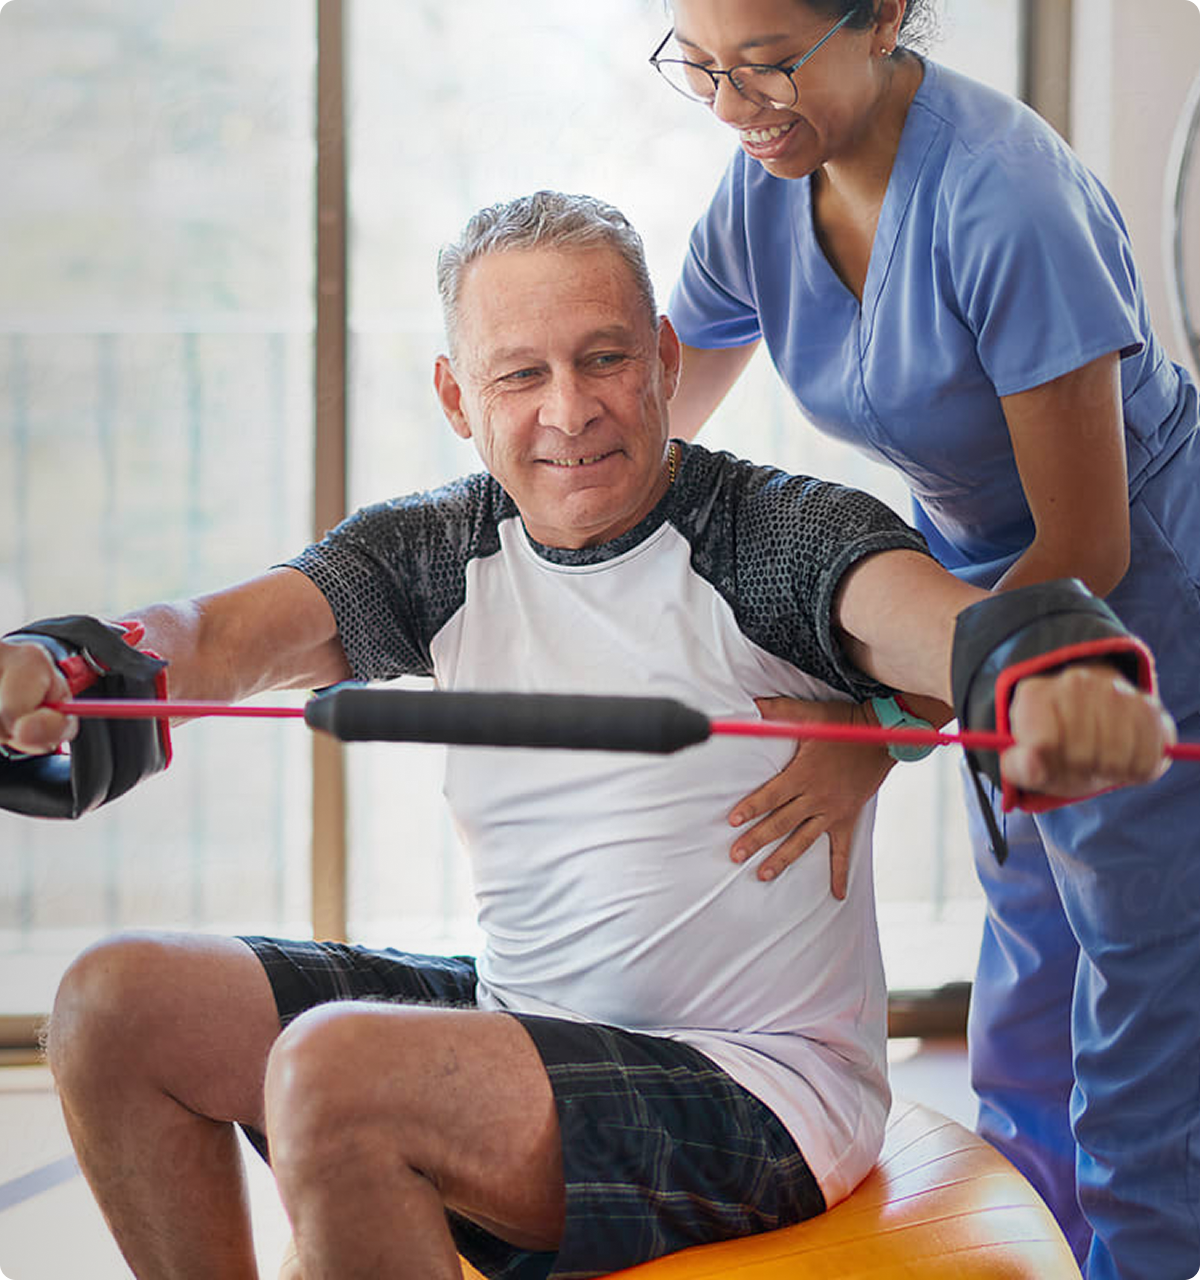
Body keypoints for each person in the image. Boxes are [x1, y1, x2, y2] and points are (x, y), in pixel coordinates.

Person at [0, 192, 1174, 1280]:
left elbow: (953, 633)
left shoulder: (773, 533)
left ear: (666, 358)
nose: (571, 410)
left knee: (333, 1071)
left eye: (605, 357)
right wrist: (73, 660)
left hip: (758, 1089)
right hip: (530, 1031)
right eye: (521, 374)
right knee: (114, 1005)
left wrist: (1043, 675)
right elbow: (213, 638)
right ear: (460, 399)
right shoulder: (431, 552)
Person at [648, 2, 1200, 1277]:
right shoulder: (762, 191)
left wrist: (883, 721)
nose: (738, 107)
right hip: (971, 600)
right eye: (705, 71)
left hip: (1122, 597)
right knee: (1025, 1007)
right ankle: (1036, 1257)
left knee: (1140, 1025)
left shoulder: (1007, 200)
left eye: (772, 65)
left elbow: (1088, 545)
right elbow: (655, 414)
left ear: (886, 13)